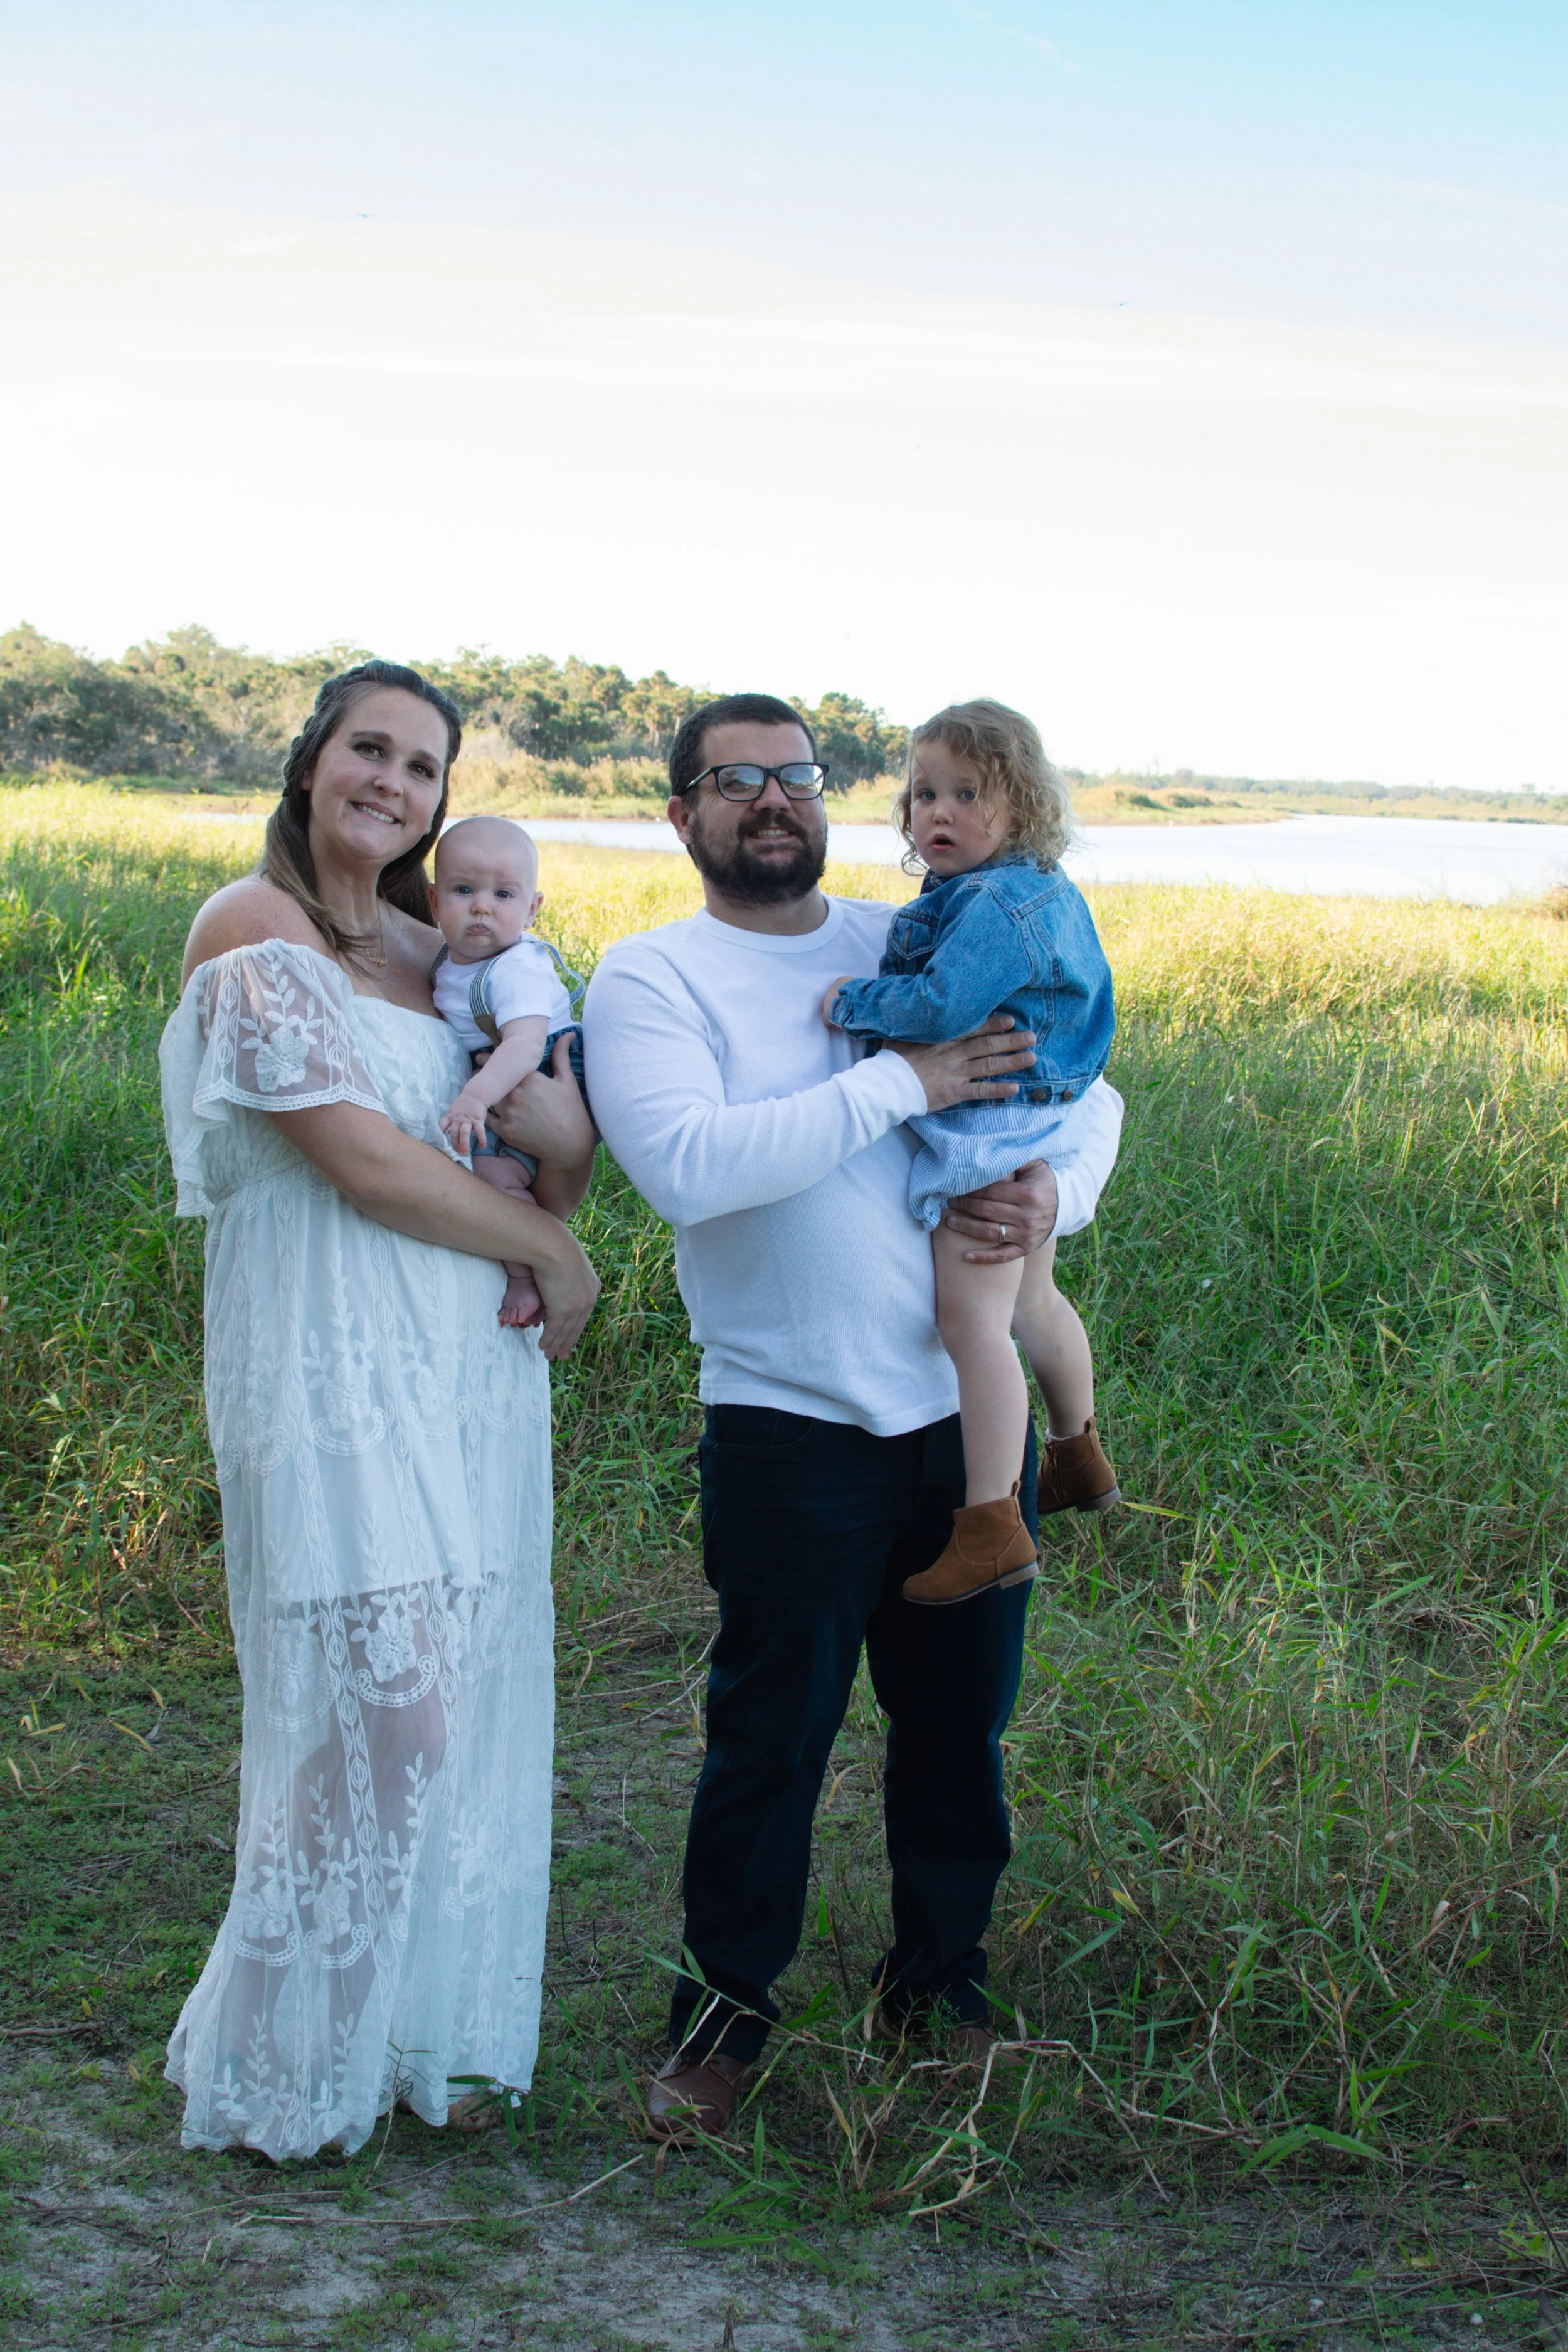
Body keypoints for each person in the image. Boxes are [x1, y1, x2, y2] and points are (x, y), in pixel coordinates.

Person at [581, 692, 1123, 2142]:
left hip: (960, 1422)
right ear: (680, 813)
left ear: (827, 798)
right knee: (771, 1739)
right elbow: (693, 1167)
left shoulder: (912, 931)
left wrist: (1059, 1185)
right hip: (789, 1426)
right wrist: (911, 1078)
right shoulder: (649, 976)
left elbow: (1094, 1084)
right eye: (732, 779)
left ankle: (936, 1993)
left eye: (794, 774)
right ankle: (721, 2022)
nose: (770, 798)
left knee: (959, 1736)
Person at [159, 661, 600, 2162]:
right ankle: (277, 2061)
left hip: (459, 1372)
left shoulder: (457, 951)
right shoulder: (251, 925)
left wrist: (562, 1183)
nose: (396, 784)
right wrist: (553, 1252)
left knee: (451, 1711)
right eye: (372, 749)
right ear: (310, 761)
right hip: (326, 1358)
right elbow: (356, 1157)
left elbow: (550, 1143)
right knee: (380, 1710)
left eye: (424, 765)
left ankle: (421, 2036)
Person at [824, 700, 1119, 1608]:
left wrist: (854, 1000)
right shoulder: (1035, 888)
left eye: (965, 793)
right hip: (1044, 1113)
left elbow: (947, 1004)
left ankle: (992, 1524)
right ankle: (1080, 1455)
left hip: (995, 1123)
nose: (936, 813)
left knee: (972, 1324)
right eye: (921, 795)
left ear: (1021, 805)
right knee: (1033, 1297)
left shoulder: (994, 901)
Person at [430, 813, 583, 1329]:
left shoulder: (516, 966)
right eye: (464, 889)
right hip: (509, 1076)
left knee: (493, 1181)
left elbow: (522, 1044)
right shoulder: (449, 963)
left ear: (533, 909)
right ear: (434, 902)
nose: (481, 906)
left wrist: (474, 1098)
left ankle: (525, 1272)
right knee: (494, 1178)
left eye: (503, 895)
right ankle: (530, 1251)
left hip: (544, 1071)